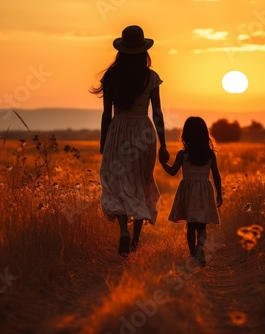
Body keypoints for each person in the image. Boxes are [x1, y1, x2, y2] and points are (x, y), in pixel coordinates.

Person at [90, 25, 170, 257]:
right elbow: (157, 113)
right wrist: (163, 144)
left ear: (122, 51)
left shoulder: (112, 76)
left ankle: (123, 231)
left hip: (118, 130)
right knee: (139, 180)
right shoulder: (151, 77)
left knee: (115, 179)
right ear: (144, 51)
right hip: (143, 132)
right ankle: (135, 239)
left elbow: (106, 114)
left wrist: (104, 140)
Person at [160, 117, 223, 266]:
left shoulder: (183, 154)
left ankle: (193, 255)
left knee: (191, 226)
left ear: (185, 135)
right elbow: (216, 176)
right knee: (202, 226)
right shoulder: (209, 155)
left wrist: (162, 162)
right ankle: (200, 248)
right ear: (204, 134)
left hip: (188, 193)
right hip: (204, 193)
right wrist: (219, 193)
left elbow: (172, 171)